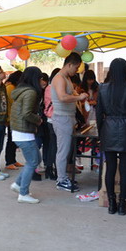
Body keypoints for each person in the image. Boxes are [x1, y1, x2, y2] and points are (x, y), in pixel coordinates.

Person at [97, 58, 126, 216]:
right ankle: (123, 205)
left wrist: (101, 132)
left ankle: (111, 204)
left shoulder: (102, 88)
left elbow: (99, 114)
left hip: (109, 129)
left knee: (110, 168)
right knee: (124, 169)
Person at [51, 53, 88, 192]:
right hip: (62, 118)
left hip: (68, 117)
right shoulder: (59, 78)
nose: (77, 70)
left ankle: (63, 177)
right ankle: (61, 180)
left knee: (66, 150)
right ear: (69, 64)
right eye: (76, 67)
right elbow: (62, 97)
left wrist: (78, 96)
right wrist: (79, 97)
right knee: (63, 151)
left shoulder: (66, 78)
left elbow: (69, 95)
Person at [8, 67, 45, 204]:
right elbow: (27, 113)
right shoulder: (30, 92)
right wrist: (38, 120)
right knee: (33, 161)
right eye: (40, 78)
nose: (42, 81)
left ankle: (18, 185)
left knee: (35, 159)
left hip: (21, 131)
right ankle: (23, 193)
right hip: (23, 132)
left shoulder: (23, 90)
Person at [42, 68, 60, 180]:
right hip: (54, 119)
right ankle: (51, 168)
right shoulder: (53, 88)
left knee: (53, 145)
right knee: (54, 146)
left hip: (51, 119)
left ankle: (50, 168)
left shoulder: (49, 88)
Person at [4, 71, 23, 171]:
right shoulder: (10, 88)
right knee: (11, 141)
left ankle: (13, 160)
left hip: (13, 117)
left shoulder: (12, 87)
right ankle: (9, 161)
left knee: (13, 140)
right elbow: (15, 102)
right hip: (11, 117)